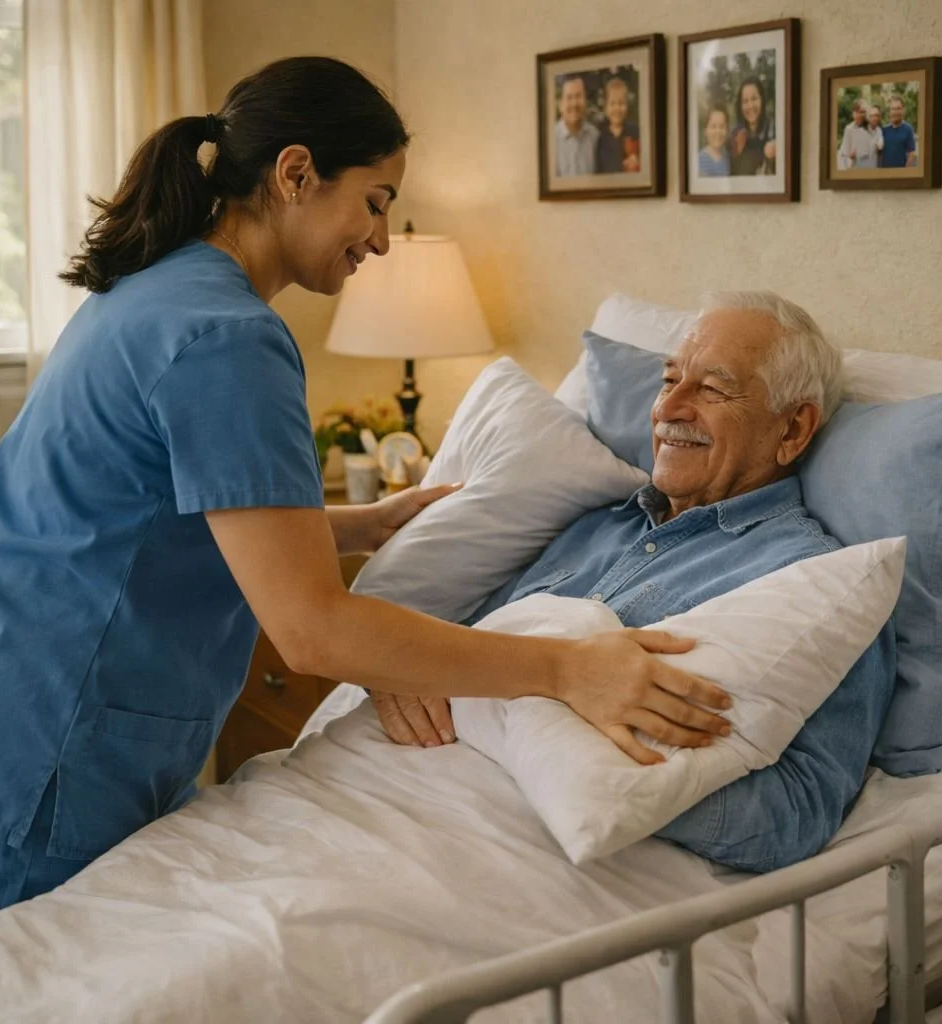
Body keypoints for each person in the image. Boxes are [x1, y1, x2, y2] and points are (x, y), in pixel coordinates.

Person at [0, 57, 732, 930]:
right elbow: (312, 629)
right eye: (377, 200)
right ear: (294, 174)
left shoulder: (155, 289)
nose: (382, 239)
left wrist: (369, 523)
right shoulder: (230, 338)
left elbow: (168, 506)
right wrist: (564, 669)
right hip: (41, 755)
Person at [372, 291, 897, 874]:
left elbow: (797, 812)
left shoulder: (816, 583)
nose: (669, 408)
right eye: (669, 379)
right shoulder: (593, 518)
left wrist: (597, 771)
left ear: (793, 429)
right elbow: (480, 641)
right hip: (400, 798)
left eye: (712, 389)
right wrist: (409, 669)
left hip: (542, 861)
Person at [730, 77, 777, 176]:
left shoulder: (775, 130)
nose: (750, 105)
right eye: (745, 101)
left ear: (762, 100)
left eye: (754, 99)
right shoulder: (735, 135)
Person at [555, 75, 599, 177]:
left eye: (578, 96)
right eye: (569, 97)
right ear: (561, 104)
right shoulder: (549, 141)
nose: (574, 103)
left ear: (585, 101)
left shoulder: (595, 137)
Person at [595, 77, 640, 174]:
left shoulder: (636, 133)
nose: (617, 109)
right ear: (605, 107)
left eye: (621, 103)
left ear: (627, 105)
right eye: (612, 103)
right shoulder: (600, 137)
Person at [838, 99, 884, 169]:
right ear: (854, 113)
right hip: (856, 169)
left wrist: (880, 142)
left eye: (864, 112)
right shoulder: (849, 129)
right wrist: (849, 156)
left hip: (871, 168)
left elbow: (879, 135)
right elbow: (844, 153)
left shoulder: (872, 127)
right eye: (860, 112)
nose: (862, 115)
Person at [881, 94, 918, 168]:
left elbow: (912, 155)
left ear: (903, 110)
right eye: (893, 109)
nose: (896, 112)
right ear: (889, 111)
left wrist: (905, 174)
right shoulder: (884, 130)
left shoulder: (908, 129)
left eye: (898, 108)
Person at [698, 106, 731, 177]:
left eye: (722, 126)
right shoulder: (698, 161)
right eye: (713, 126)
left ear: (727, 130)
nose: (718, 131)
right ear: (705, 131)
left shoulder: (729, 158)